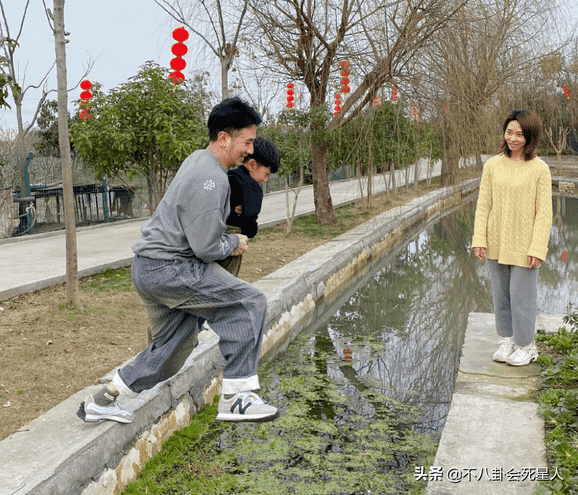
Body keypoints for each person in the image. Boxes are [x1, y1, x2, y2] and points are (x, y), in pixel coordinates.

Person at [77, 97, 278, 423]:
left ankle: (105, 397)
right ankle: (238, 397)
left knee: (174, 349)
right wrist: (234, 241)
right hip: (170, 268)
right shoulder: (210, 177)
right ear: (224, 138)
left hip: (150, 267)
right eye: (248, 142)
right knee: (249, 303)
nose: (251, 150)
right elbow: (206, 247)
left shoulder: (200, 161)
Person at [472, 109, 552, 366]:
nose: (513, 138)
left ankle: (526, 345)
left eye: (520, 133)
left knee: (521, 298)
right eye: (510, 132)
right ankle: (507, 340)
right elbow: (484, 205)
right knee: (501, 295)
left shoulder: (540, 169)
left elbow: (544, 214)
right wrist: (479, 239)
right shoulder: (492, 166)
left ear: (530, 137)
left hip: (525, 246)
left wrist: (538, 248)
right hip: (496, 242)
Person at [217, 136, 280, 278]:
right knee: (226, 281)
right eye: (266, 174)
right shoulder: (253, 188)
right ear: (251, 164)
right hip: (231, 241)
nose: (266, 179)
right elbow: (250, 228)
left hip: (213, 237)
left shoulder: (226, 176)